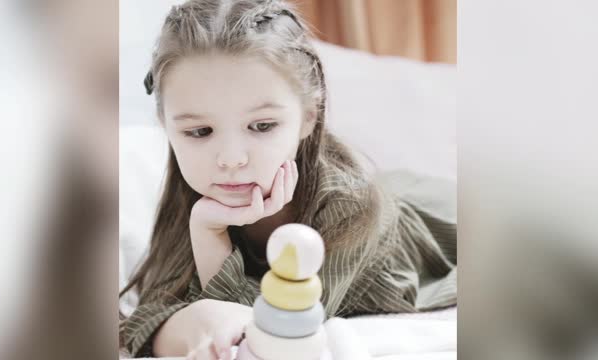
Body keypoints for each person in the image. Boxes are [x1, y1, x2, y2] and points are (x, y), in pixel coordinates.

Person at [119, 1, 456, 358]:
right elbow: (147, 317)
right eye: (200, 131)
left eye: (262, 126)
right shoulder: (191, 197)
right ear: (165, 126)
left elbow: (271, 332)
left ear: (308, 117)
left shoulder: (347, 206)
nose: (231, 159)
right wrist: (205, 235)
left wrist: (209, 243)